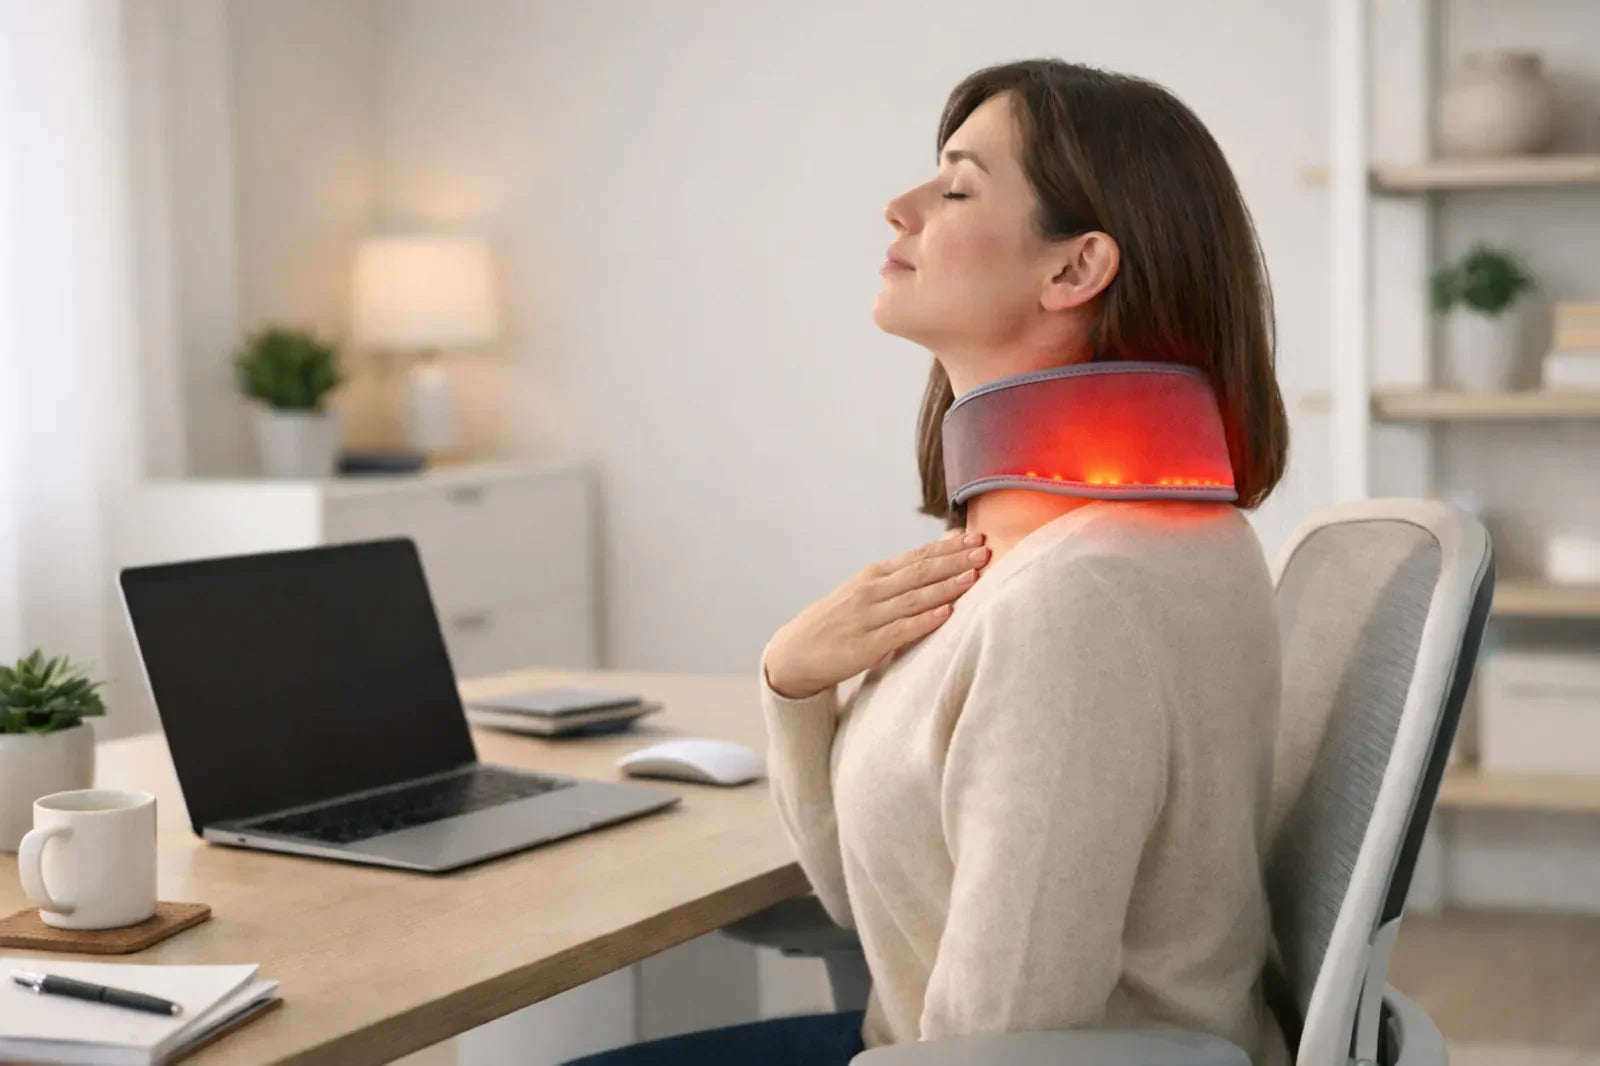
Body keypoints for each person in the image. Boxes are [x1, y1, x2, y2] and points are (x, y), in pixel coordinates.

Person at [564, 57, 1290, 1066]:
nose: (897, 208)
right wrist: (795, 680)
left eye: (954, 188)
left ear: (1074, 269)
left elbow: (998, 1038)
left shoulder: (1077, 601)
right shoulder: (1112, 546)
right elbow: (878, 902)